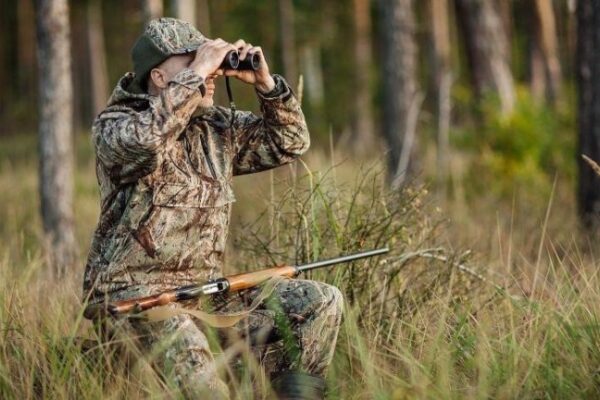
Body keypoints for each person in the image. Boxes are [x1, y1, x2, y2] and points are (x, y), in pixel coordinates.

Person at [82, 17, 343, 399]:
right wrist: (199, 71)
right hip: (133, 301)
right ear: (158, 77)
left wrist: (267, 86)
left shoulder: (215, 128)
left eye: (208, 62)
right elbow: (147, 141)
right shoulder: (115, 126)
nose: (210, 73)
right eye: (192, 62)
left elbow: (289, 142)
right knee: (196, 366)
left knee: (320, 301)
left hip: (203, 295)